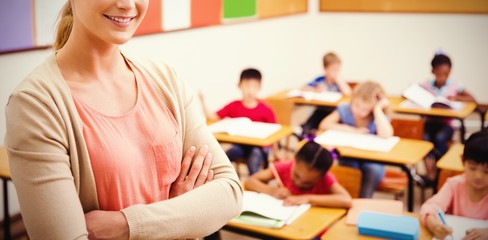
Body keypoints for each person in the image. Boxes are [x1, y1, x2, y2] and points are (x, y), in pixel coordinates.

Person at [4, 1, 242, 239]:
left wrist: (126, 225)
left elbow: (229, 192)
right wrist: (183, 216)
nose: (127, 4)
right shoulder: (35, 104)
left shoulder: (165, 79)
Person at [200, 68, 283, 175]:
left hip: (260, 147)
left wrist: (276, 153)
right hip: (241, 145)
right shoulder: (234, 105)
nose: (251, 90)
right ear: (239, 85)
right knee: (226, 155)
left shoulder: (265, 109)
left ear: (259, 88)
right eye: (247, 85)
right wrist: (202, 101)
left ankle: (255, 182)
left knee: (255, 155)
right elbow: (212, 117)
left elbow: (274, 133)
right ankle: (220, 178)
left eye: (255, 86)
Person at [318, 81, 393, 198]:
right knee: (349, 168)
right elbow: (324, 124)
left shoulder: (378, 115)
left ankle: (363, 203)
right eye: (357, 105)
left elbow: (386, 135)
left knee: (371, 169)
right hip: (349, 156)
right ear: (352, 100)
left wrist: (378, 109)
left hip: (373, 159)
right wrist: (352, 130)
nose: (359, 111)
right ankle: (348, 201)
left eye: (365, 109)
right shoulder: (345, 109)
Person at [419, 130, 488, 240]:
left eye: (486, 171)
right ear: (462, 161)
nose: (478, 176)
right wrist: (435, 226)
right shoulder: (454, 185)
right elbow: (429, 207)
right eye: (472, 168)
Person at [420, 52, 477, 184]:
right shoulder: (426, 85)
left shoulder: (455, 86)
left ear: (450, 71)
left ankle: (443, 170)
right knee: (425, 141)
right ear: (432, 71)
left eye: (446, 74)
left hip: (447, 124)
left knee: (439, 139)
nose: (442, 77)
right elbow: (410, 94)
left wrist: (456, 97)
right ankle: (431, 175)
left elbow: (472, 99)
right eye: (439, 74)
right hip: (430, 122)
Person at [244, 141, 352, 208]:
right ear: (294, 159)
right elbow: (250, 181)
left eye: (308, 183)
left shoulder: (326, 178)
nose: (299, 183)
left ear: (320, 177)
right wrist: (272, 191)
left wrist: (308, 198)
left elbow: (346, 200)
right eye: (296, 175)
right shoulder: (285, 166)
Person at [300, 52, 352, 136]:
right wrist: (315, 90)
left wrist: (339, 81)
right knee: (307, 128)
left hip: (335, 113)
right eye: (333, 69)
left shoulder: (339, 82)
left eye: (337, 69)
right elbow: (303, 88)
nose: (336, 72)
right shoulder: (320, 80)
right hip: (321, 110)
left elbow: (348, 94)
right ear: (325, 69)